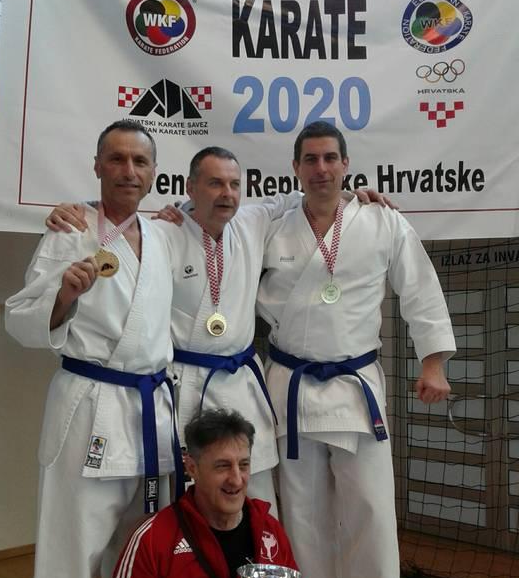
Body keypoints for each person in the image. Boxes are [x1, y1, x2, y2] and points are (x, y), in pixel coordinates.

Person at [46, 147, 389, 515]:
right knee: (194, 498)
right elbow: (118, 225)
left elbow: (304, 197)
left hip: (240, 383)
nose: (226, 194)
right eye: (214, 184)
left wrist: (351, 197)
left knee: (255, 493)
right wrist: (81, 209)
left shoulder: (253, 221)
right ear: (190, 188)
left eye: (234, 185)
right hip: (186, 386)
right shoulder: (164, 232)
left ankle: (257, 553)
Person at [256, 121, 456, 578]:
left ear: (346, 165)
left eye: (330, 158)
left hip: (355, 386)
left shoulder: (381, 220)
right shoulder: (272, 225)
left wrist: (433, 362)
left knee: (369, 510)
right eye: (310, 159)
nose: (320, 168)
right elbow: (214, 225)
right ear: (296, 168)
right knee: (306, 515)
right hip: (291, 387)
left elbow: (420, 288)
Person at [5, 119, 181, 578]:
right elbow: (20, 317)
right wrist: (64, 294)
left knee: (147, 557)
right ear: (97, 165)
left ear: (153, 172)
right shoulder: (70, 230)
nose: (129, 171)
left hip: (150, 412)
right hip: (89, 407)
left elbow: (236, 213)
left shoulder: (167, 233)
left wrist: (357, 195)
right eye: (117, 159)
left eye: (140, 161)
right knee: (72, 556)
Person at [98, 408, 322, 578]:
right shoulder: (152, 541)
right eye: (222, 466)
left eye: (243, 465)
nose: (236, 479)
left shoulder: (270, 532)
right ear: (192, 468)